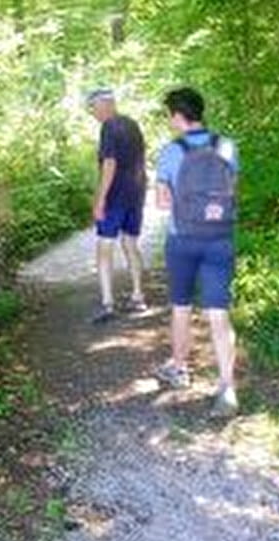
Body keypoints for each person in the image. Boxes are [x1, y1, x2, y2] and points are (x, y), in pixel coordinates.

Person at [153, 86, 240, 416]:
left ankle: (179, 369)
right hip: (220, 239)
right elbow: (230, 192)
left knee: (181, 308)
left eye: (170, 115)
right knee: (219, 314)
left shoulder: (170, 152)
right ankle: (227, 388)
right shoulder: (228, 146)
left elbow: (162, 203)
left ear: (178, 116)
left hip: (183, 240)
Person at [86, 88, 148, 323]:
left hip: (115, 195)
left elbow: (109, 163)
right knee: (130, 243)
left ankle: (108, 304)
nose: (92, 113)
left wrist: (100, 199)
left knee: (104, 247)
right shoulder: (133, 125)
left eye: (92, 108)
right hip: (136, 191)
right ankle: (138, 297)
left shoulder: (109, 127)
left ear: (104, 104)